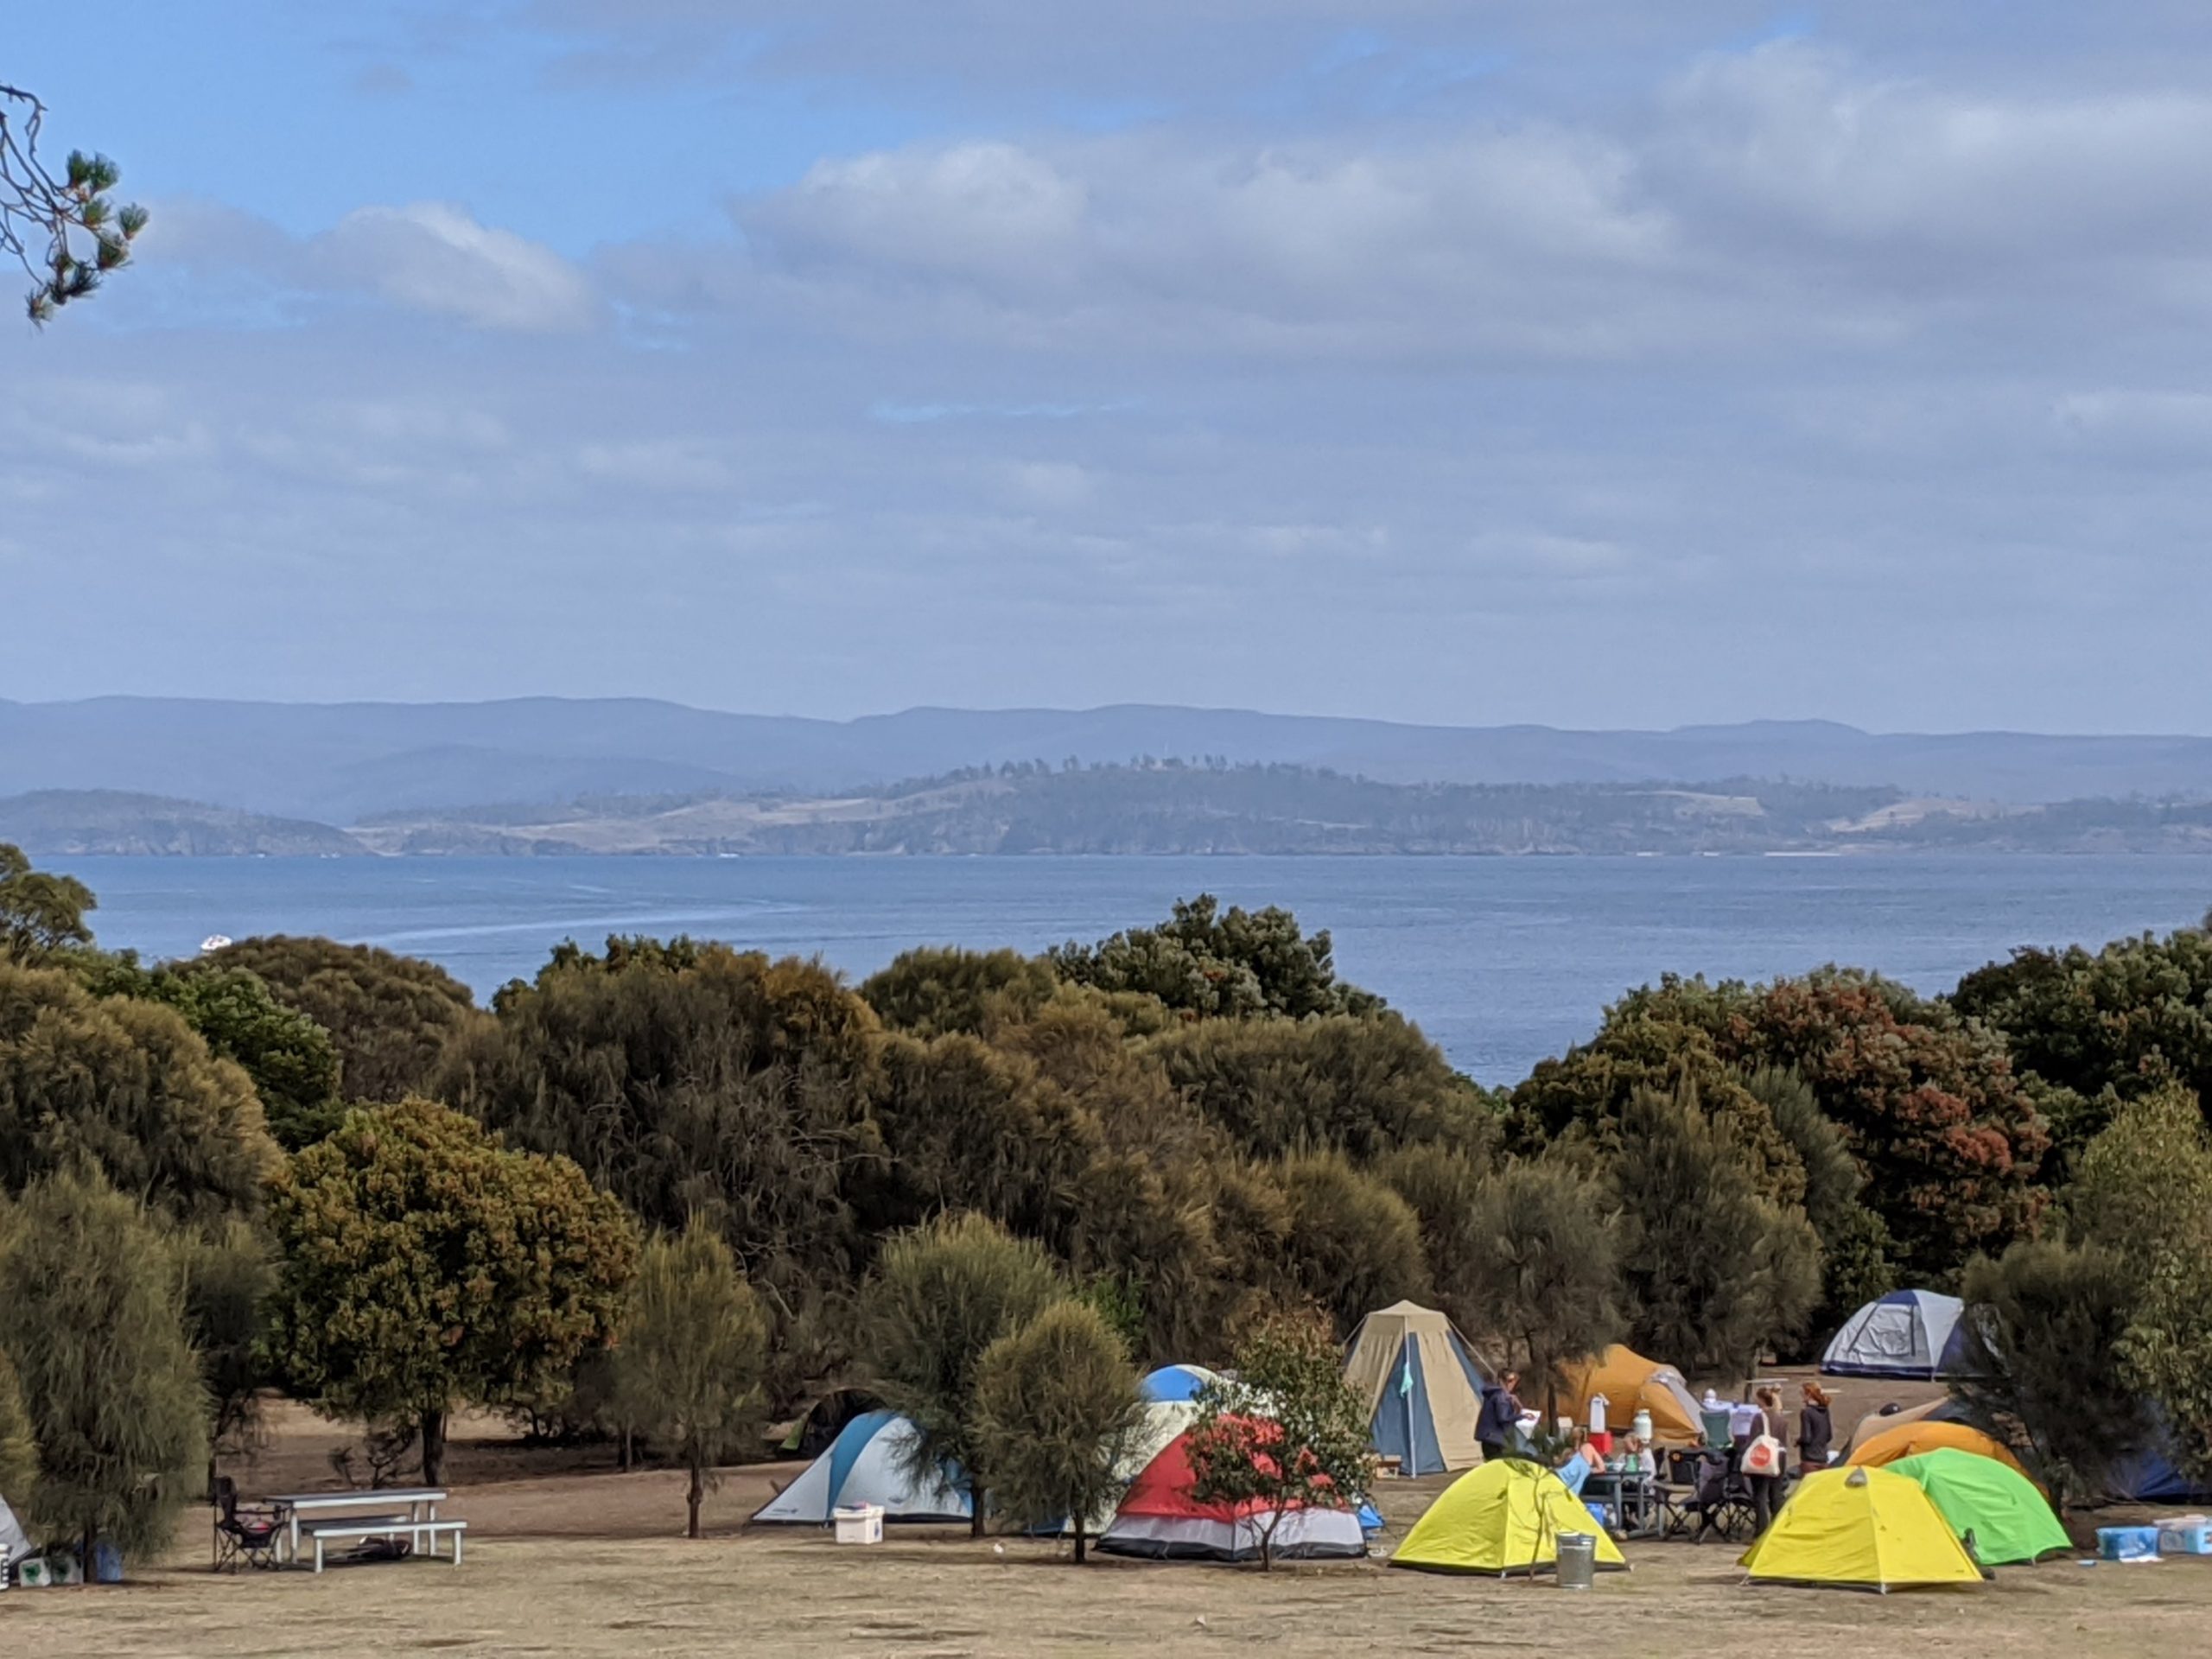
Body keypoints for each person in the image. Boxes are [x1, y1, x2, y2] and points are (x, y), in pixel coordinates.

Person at [1743, 1386, 1787, 1535]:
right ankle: (1777, 1528)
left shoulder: (1759, 1418)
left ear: (1761, 1400)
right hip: (1779, 1457)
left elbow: (1753, 1440)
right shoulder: (1781, 1418)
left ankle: (1761, 1529)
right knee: (1776, 1494)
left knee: (1760, 1495)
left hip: (1763, 1459)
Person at [1477, 1370, 1522, 1464]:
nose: (1513, 1384)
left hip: (1488, 1438)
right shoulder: (1502, 1397)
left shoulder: (1494, 1394)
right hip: (1496, 1440)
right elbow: (1503, 1418)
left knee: (1490, 1465)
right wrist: (1522, 1416)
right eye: (1510, 1381)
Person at [1796, 1382, 1834, 1476]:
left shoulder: (1806, 1412)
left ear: (1808, 1394)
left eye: (1802, 1394)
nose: (1801, 1397)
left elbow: (1806, 1438)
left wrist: (1798, 1441)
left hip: (1810, 1459)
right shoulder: (1825, 1410)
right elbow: (1829, 1436)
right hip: (1823, 1458)